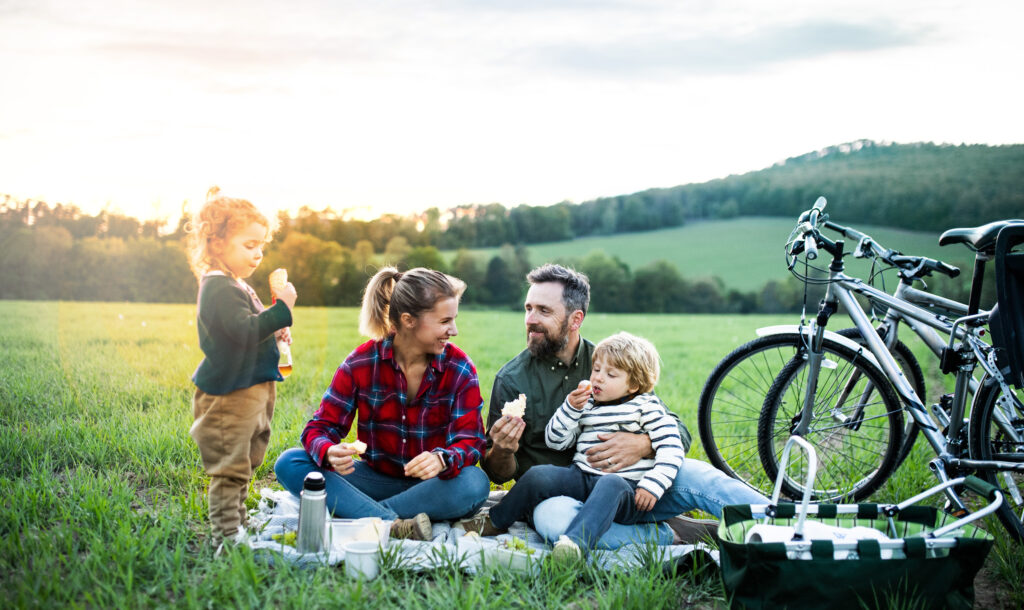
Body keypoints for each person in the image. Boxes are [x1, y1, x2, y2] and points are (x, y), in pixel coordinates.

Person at [481, 264, 769, 549]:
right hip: (562, 495)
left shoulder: (610, 362)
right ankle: (670, 533)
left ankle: (790, 523)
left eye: (543, 311)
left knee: (701, 475)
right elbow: (499, 474)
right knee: (554, 524)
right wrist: (503, 449)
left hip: (634, 486)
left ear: (575, 319)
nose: (531, 319)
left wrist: (643, 445)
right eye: (528, 308)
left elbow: (675, 429)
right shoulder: (511, 379)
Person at [274, 267, 490, 541]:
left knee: (475, 483)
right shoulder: (360, 363)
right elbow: (320, 427)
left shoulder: (460, 369)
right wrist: (328, 451)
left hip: (432, 487)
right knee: (290, 462)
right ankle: (390, 523)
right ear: (409, 320)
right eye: (445, 321)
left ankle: (364, 518)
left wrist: (441, 459)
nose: (454, 330)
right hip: (372, 481)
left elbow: (470, 441)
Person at [460, 332, 685, 559]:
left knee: (610, 484)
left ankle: (574, 545)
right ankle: (494, 520)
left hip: (625, 490)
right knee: (539, 475)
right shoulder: (589, 404)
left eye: (610, 374)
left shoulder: (647, 407)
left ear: (634, 385)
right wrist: (570, 408)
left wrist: (652, 486)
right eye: (596, 370)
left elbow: (672, 448)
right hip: (582, 476)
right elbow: (556, 441)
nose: (598, 378)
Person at [187, 186, 298, 543]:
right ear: (217, 244)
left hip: (253, 387)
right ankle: (226, 535)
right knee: (230, 467)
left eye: (261, 245)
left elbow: (252, 328)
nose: (258, 254)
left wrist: (275, 330)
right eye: (249, 245)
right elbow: (242, 329)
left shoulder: (237, 285)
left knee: (248, 459)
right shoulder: (218, 288)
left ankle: (238, 521)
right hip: (230, 395)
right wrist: (282, 309)